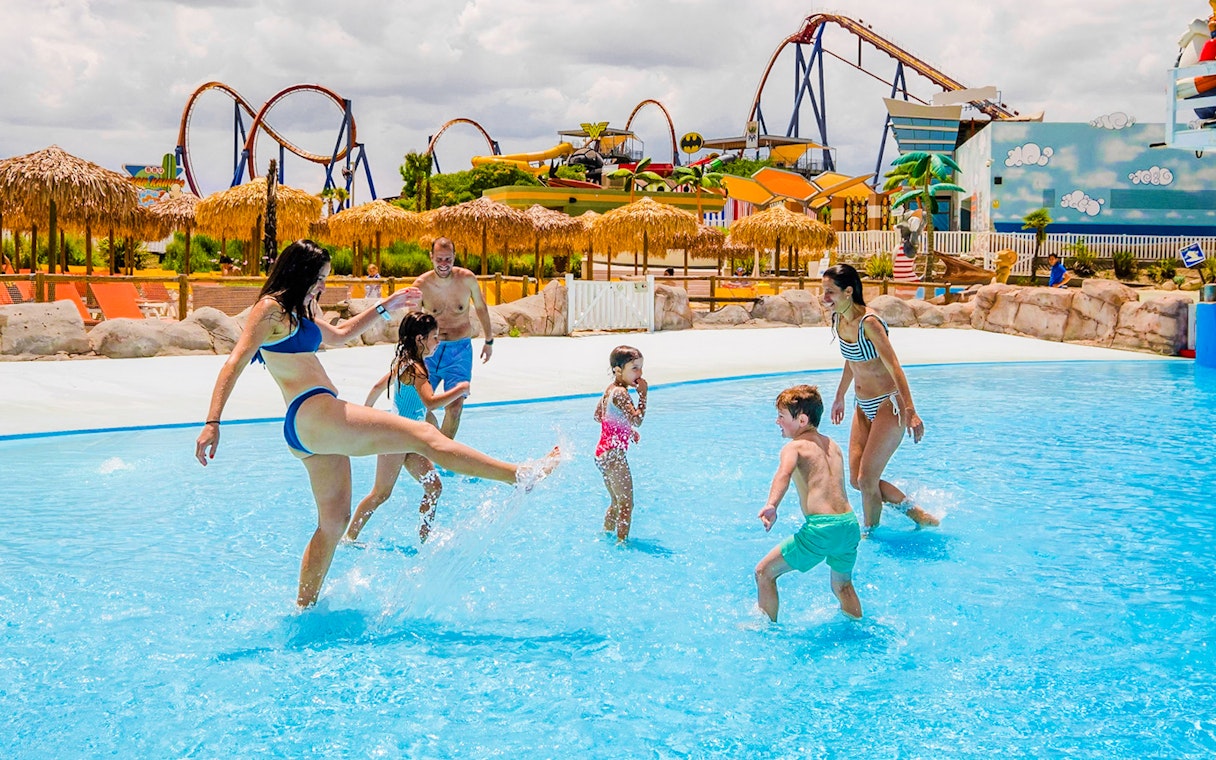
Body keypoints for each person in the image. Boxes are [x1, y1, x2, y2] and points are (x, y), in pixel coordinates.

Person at [194, 239, 559, 608]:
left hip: (311, 430)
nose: (323, 284)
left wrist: (386, 307)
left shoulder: (301, 310)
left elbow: (339, 336)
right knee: (423, 434)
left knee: (334, 524)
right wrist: (213, 422)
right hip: (313, 411)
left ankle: (303, 610)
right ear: (301, 272)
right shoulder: (270, 310)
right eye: (319, 277)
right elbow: (234, 362)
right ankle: (520, 474)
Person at [822, 263, 939, 533]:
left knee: (867, 479)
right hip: (861, 405)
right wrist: (839, 395)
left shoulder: (870, 323)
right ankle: (917, 513)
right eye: (823, 291)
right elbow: (851, 359)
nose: (825, 298)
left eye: (830, 292)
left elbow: (894, 366)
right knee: (857, 480)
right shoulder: (839, 319)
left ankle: (870, 534)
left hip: (889, 404)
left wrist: (911, 410)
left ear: (848, 291)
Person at [345, 312, 469, 544]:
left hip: (407, 437)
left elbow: (378, 387)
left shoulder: (405, 362)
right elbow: (430, 401)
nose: (438, 342)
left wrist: (367, 411)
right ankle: (349, 537)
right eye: (434, 337)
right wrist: (460, 388)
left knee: (434, 487)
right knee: (381, 493)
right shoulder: (416, 369)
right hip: (395, 437)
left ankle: (425, 538)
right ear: (421, 339)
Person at [755, 385, 862, 622]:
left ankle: (765, 630)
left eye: (782, 416)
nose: (777, 422)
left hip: (821, 529)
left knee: (764, 572)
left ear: (801, 419)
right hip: (849, 525)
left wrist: (772, 504)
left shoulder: (794, 447)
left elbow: (784, 473)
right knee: (843, 586)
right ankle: (857, 625)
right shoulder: (832, 445)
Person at [413, 237, 494, 439]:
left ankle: (444, 453)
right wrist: (411, 353)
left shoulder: (467, 279)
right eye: (439, 259)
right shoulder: (421, 285)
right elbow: (412, 322)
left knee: (455, 407)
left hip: (460, 352)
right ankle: (436, 442)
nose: (443, 264)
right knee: (418, 404)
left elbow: (482, 308)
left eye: (448, 259)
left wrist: (489, 340)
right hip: (429, 352)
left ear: (454, 257)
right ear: (431, 257)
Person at [594, 345, 647, 542]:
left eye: (641, 368)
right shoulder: (622, 394)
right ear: (618, 371)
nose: (639, 373)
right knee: (626, 504)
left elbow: (599, 416)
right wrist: (643, 396)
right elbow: (638, 420)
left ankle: (606, 535)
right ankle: (621, 544)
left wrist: (625, 429)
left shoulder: (610, 390)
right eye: (634, 368)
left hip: (602, 454)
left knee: (616, 503)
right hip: (614, 455)